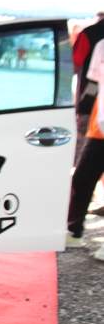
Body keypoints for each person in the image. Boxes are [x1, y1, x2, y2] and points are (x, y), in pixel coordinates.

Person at [67, 37, 104, 259]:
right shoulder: (101, 45)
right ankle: (74, 231)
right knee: (82, 178)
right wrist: (83, 108)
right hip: (99, 127)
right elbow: (94, 84)